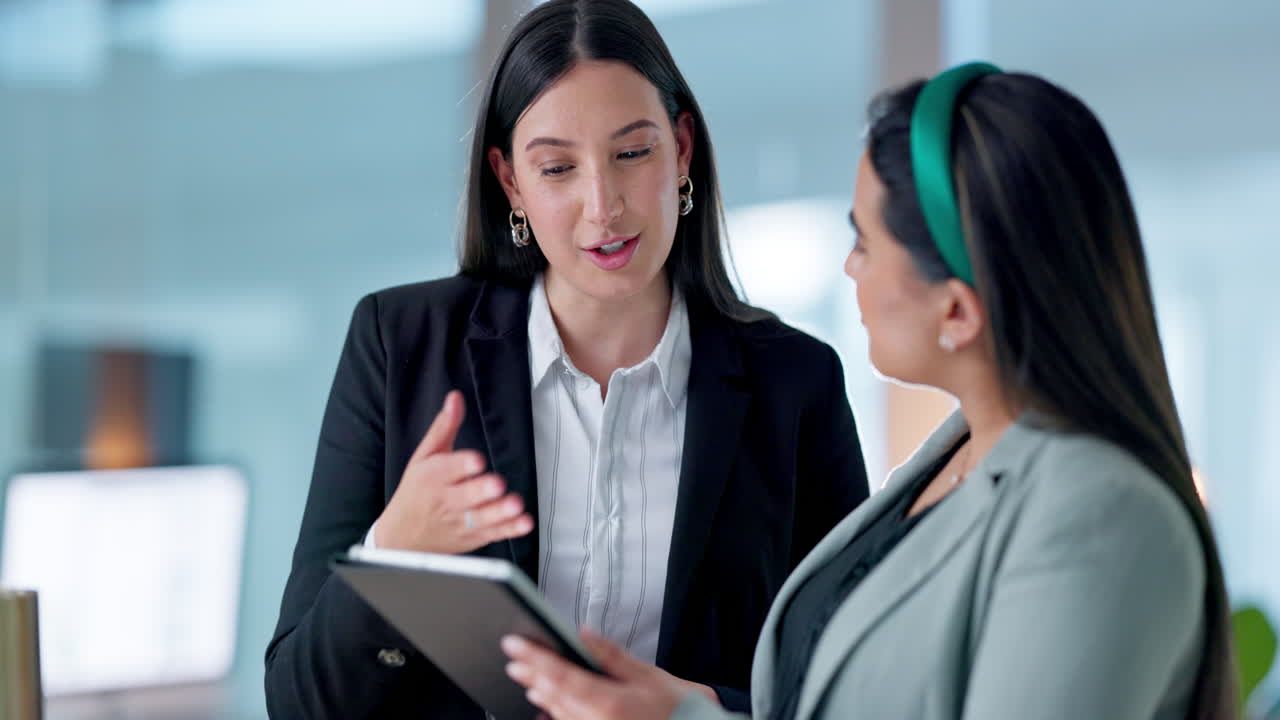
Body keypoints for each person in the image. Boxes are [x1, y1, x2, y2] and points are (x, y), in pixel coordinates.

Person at [501, 63, 1237, 720]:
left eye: (863, 241)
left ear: (955, 310)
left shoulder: (1102, 516)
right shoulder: (956, 458)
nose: (849, 269)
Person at [263, 1, 871, 717]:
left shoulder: (794, 384)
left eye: (633, 153)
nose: (602, 207)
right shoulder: (399, 345)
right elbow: (299, 702)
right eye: (557, 168)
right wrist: (395, 550)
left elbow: (851, 688)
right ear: (511, 181)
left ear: (682, 149)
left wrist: (693, 710)